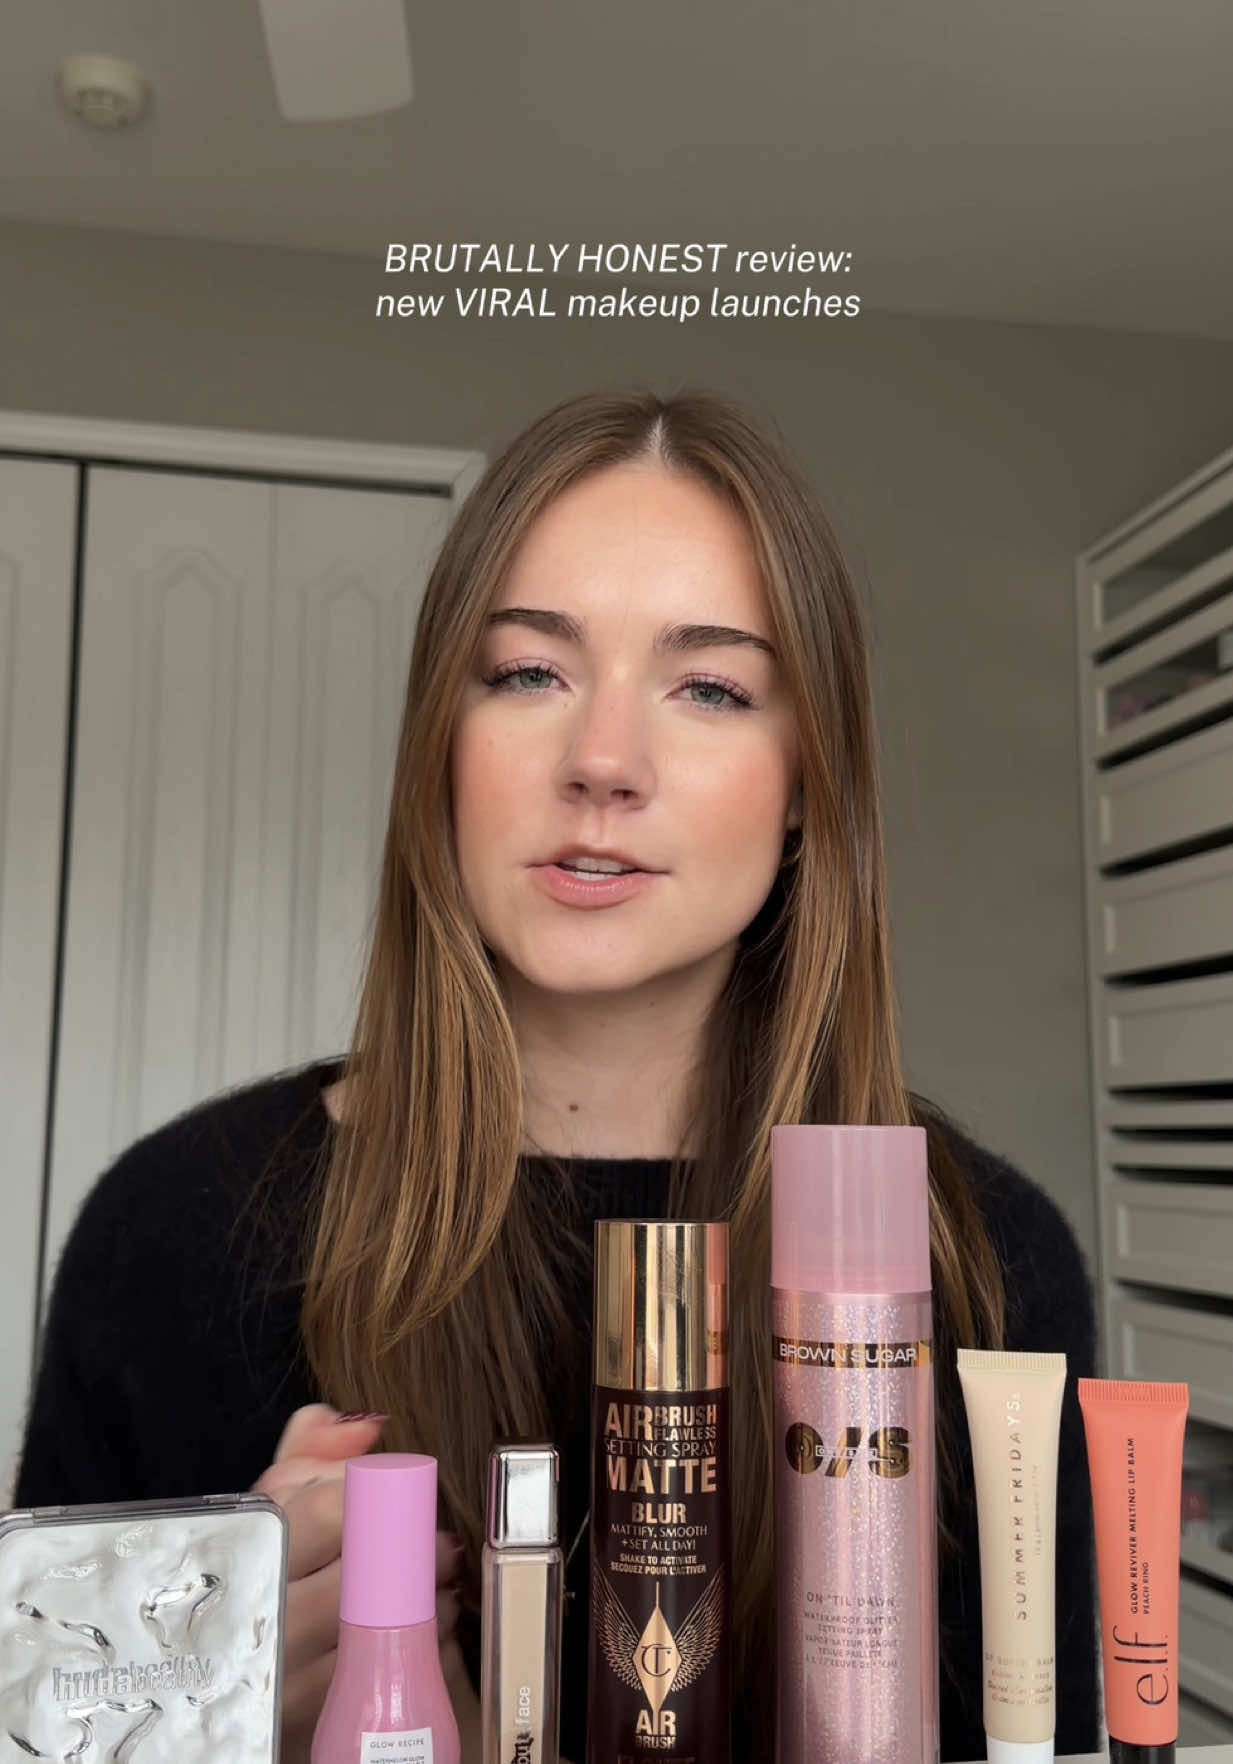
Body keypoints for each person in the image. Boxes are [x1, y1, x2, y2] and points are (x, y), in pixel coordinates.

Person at [16, 387, 1100, 1763]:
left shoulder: (977, 1256)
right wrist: (188, 1715)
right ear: (440, 741)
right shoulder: (176, 1226)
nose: (602, 763)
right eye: (529, 672)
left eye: (711, 688)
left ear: (804, 790)